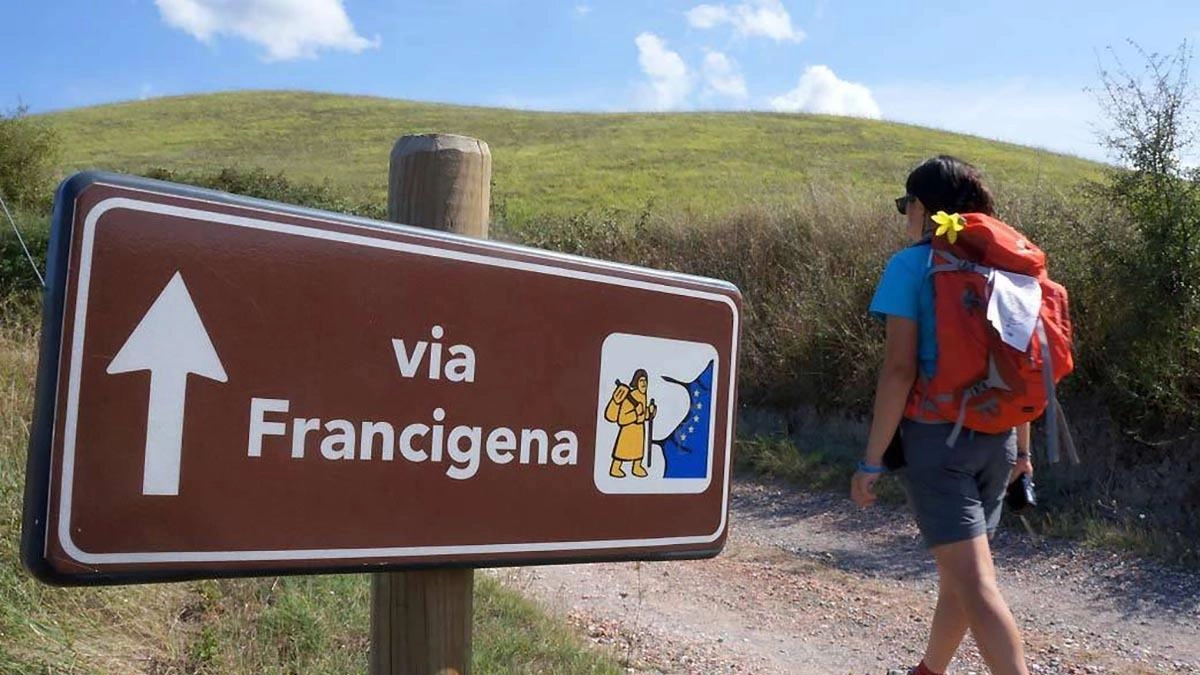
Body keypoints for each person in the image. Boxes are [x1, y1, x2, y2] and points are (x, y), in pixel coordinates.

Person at [851, 155, 1035, 675]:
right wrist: (1023, 452)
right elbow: (1019, 364)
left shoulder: (910, 265)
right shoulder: (1004, 264)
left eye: (903, 204)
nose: (902, 214)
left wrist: (871, 462)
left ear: (923, 207)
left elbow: (898, 370)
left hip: (938, 442)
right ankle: (929, 670)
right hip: (998, 439)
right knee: (961, 574)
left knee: (975, 584)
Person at [605, 369, 657, 477]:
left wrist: (650, 411)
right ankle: (615, 468)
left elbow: (643, 414)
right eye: (641, 380)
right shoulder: (631, 397)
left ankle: (636, 466)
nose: (644, 383)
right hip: (628, 432)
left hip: (639, 431)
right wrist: (635, 414)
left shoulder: (643, 396)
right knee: (622, 451)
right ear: (636, 382)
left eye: (645, 381)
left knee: (638, 451)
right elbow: (622, 419)